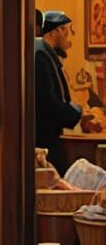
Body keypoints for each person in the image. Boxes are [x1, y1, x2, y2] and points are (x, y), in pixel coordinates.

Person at [35, 10, 82, 172]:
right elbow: (49, 102)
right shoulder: (40, 57)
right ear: (55, 32)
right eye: (65, 32)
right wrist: (75, 114)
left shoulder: (45, 55)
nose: (67, 38)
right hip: (44, 137)